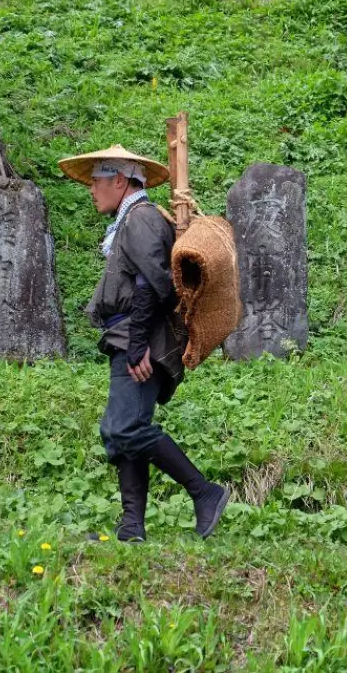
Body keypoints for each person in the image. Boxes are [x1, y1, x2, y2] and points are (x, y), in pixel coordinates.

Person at [58, 145, 229, 542]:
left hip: (140, 337)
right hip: (130, 336)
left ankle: (204, 492)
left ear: (120, 181)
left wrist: (137, 345)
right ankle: (132, 524)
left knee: (124, 427)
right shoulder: (132, 220)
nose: (92, 190)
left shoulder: (141, 219)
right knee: (124, 429)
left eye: (97, 182)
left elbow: (155, 284)